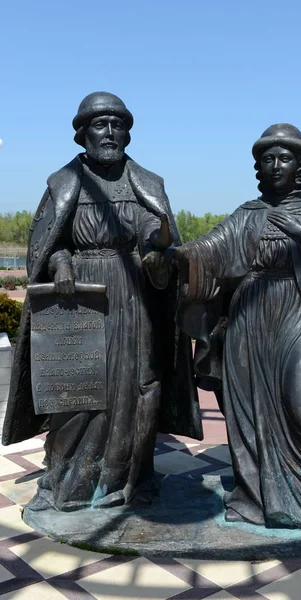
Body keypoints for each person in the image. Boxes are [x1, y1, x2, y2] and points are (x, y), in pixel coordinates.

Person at [2, 92, 202, 511]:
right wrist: (61, 264)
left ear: (128, 133)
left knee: (138, 385)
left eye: (118, 124)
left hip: (134, 298)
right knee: (78, 391)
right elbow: (45, 244)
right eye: (100, 124)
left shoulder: (147, 183)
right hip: (81, 299)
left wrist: (157, 246)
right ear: (83, 134)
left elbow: (155, 233)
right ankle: (69, 480)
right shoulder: (63, 183)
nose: (110, 132)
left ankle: (130, 478)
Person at [170, 124, 301, 532]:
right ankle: (255, 495)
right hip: (248, 321)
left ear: (300, 167)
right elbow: (209, 251)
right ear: (258, 167)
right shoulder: (248, 214)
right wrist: (176, 255)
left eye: (284, 158)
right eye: (267, 158)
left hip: (298, 318)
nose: (275, 165)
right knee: (248, 412)